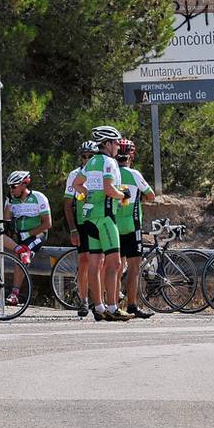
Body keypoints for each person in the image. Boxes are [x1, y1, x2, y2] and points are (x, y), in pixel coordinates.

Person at [76, 125, 133, 321]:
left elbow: (77, 184)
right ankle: (113, 307)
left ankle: (99, 308)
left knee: (94, 264)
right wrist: (122, 194)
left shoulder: (90, 162)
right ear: (107, 144)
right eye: (116, 142)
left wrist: (88, 195)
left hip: (89, 218)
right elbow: (109, 189)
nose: (118, 146)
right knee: (114, 263)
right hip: (106, 218)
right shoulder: (109, 162)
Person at [114, 138, 156, 319]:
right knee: (134, 268)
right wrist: (140, 199)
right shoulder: (135, 174)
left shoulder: (111, 173)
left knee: (114, 267)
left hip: (114, 224)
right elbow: (151, 196)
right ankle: (132, 305)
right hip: (132, 225)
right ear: (131, 155)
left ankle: (113, 305)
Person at [2, 170, 51, 308]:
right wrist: (8, 202)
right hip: (20, 236)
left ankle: (15, 293)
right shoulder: (12, 200)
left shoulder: (38, 197)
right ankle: (20, 249)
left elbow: (47, 224)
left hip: (37, 234)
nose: (11, 190)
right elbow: (5, 222)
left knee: (23, 252)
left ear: (24, 184)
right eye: (9, 187)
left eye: (13, 187)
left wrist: (28, 234)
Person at [63, 141, 97, 317]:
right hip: (82, 222)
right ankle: (83, 300)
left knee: (101, 262)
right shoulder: (74, 175)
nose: (87, 159)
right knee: (84, 261)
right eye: (84, 156)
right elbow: (68, 205)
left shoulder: (100, 172)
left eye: (90, 156)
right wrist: (73, 230)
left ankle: (101, 301)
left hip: (99, 220)